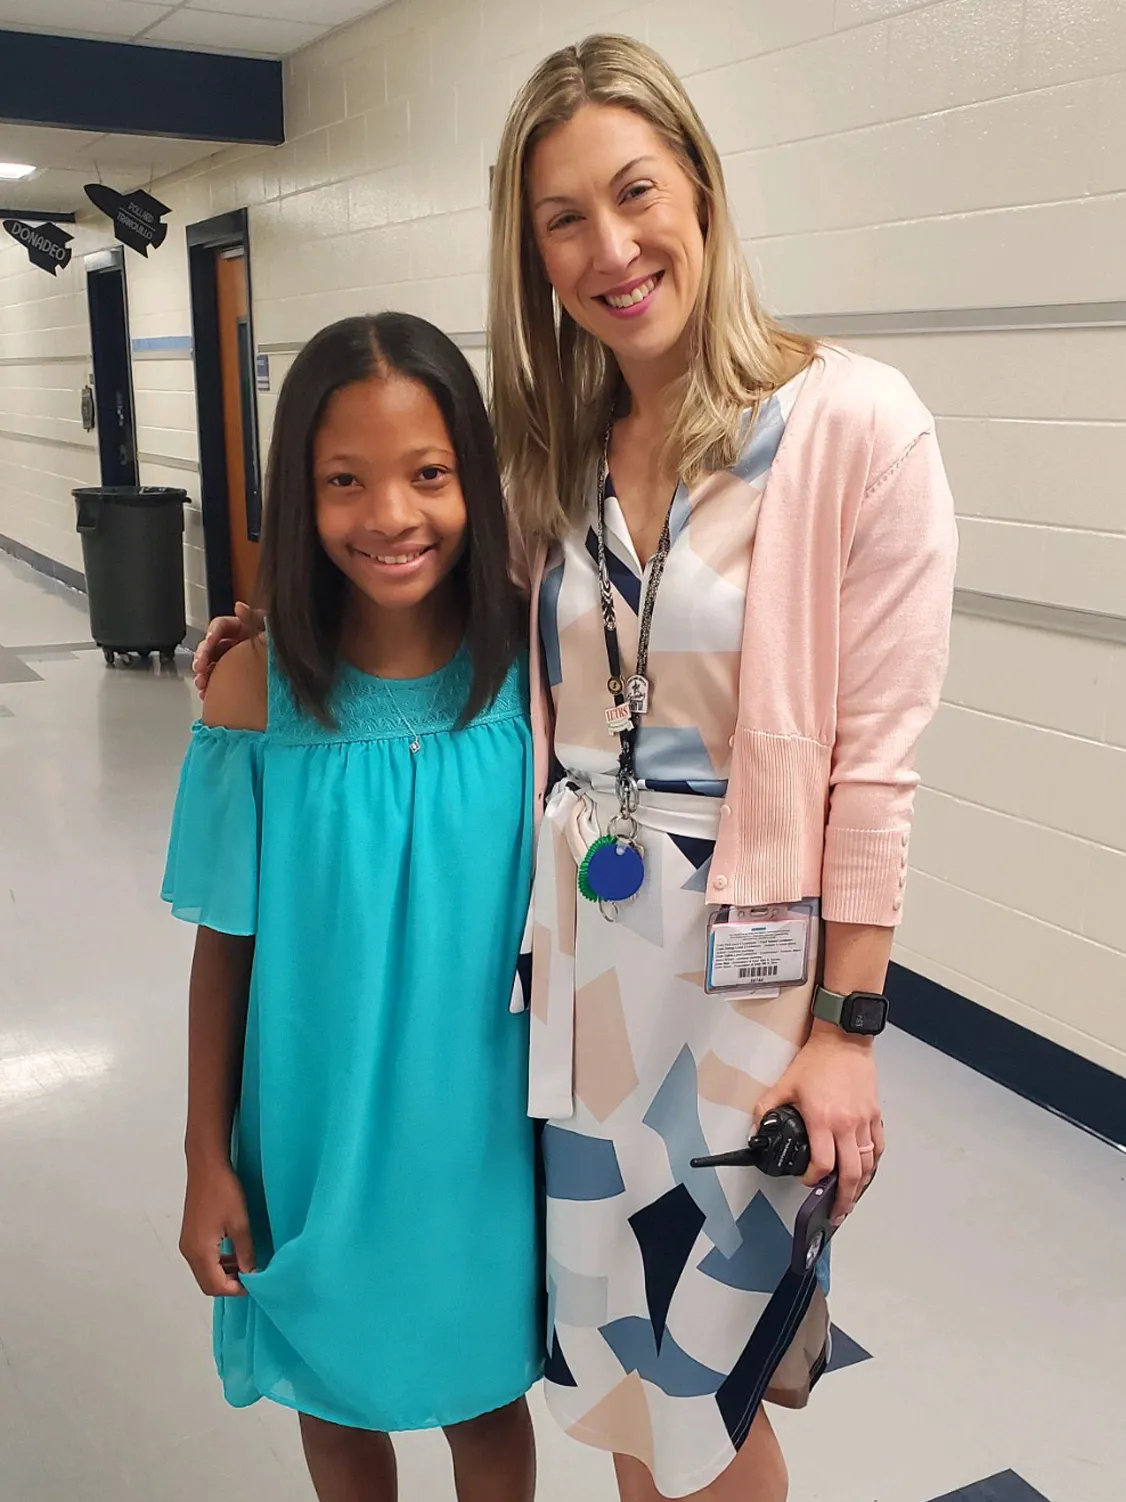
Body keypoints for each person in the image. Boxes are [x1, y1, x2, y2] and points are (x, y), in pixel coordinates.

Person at [195, 33, 957, 1502]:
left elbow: (879, 766)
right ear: (532, 252)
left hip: (744, 983)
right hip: (571, 975)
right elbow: (427, 602)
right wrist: (262, 636)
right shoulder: (556, 454)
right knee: (617, 1383)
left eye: (633, 193)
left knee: (703, 1392)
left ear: (701, 192)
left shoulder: (855, 424)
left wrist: (849, 1023)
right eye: (563, 219)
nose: (609, 248)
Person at [167, 312, 541, 1502]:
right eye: (344, 481)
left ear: (471, 477)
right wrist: (203, 1155)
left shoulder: (533, 660)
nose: (390, 515)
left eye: (429, 473)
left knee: (484, 1398)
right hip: (317, 1122)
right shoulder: (248, 688)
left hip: (487, 1123)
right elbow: (224, 947)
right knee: (332, 1393)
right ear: (299, 493)